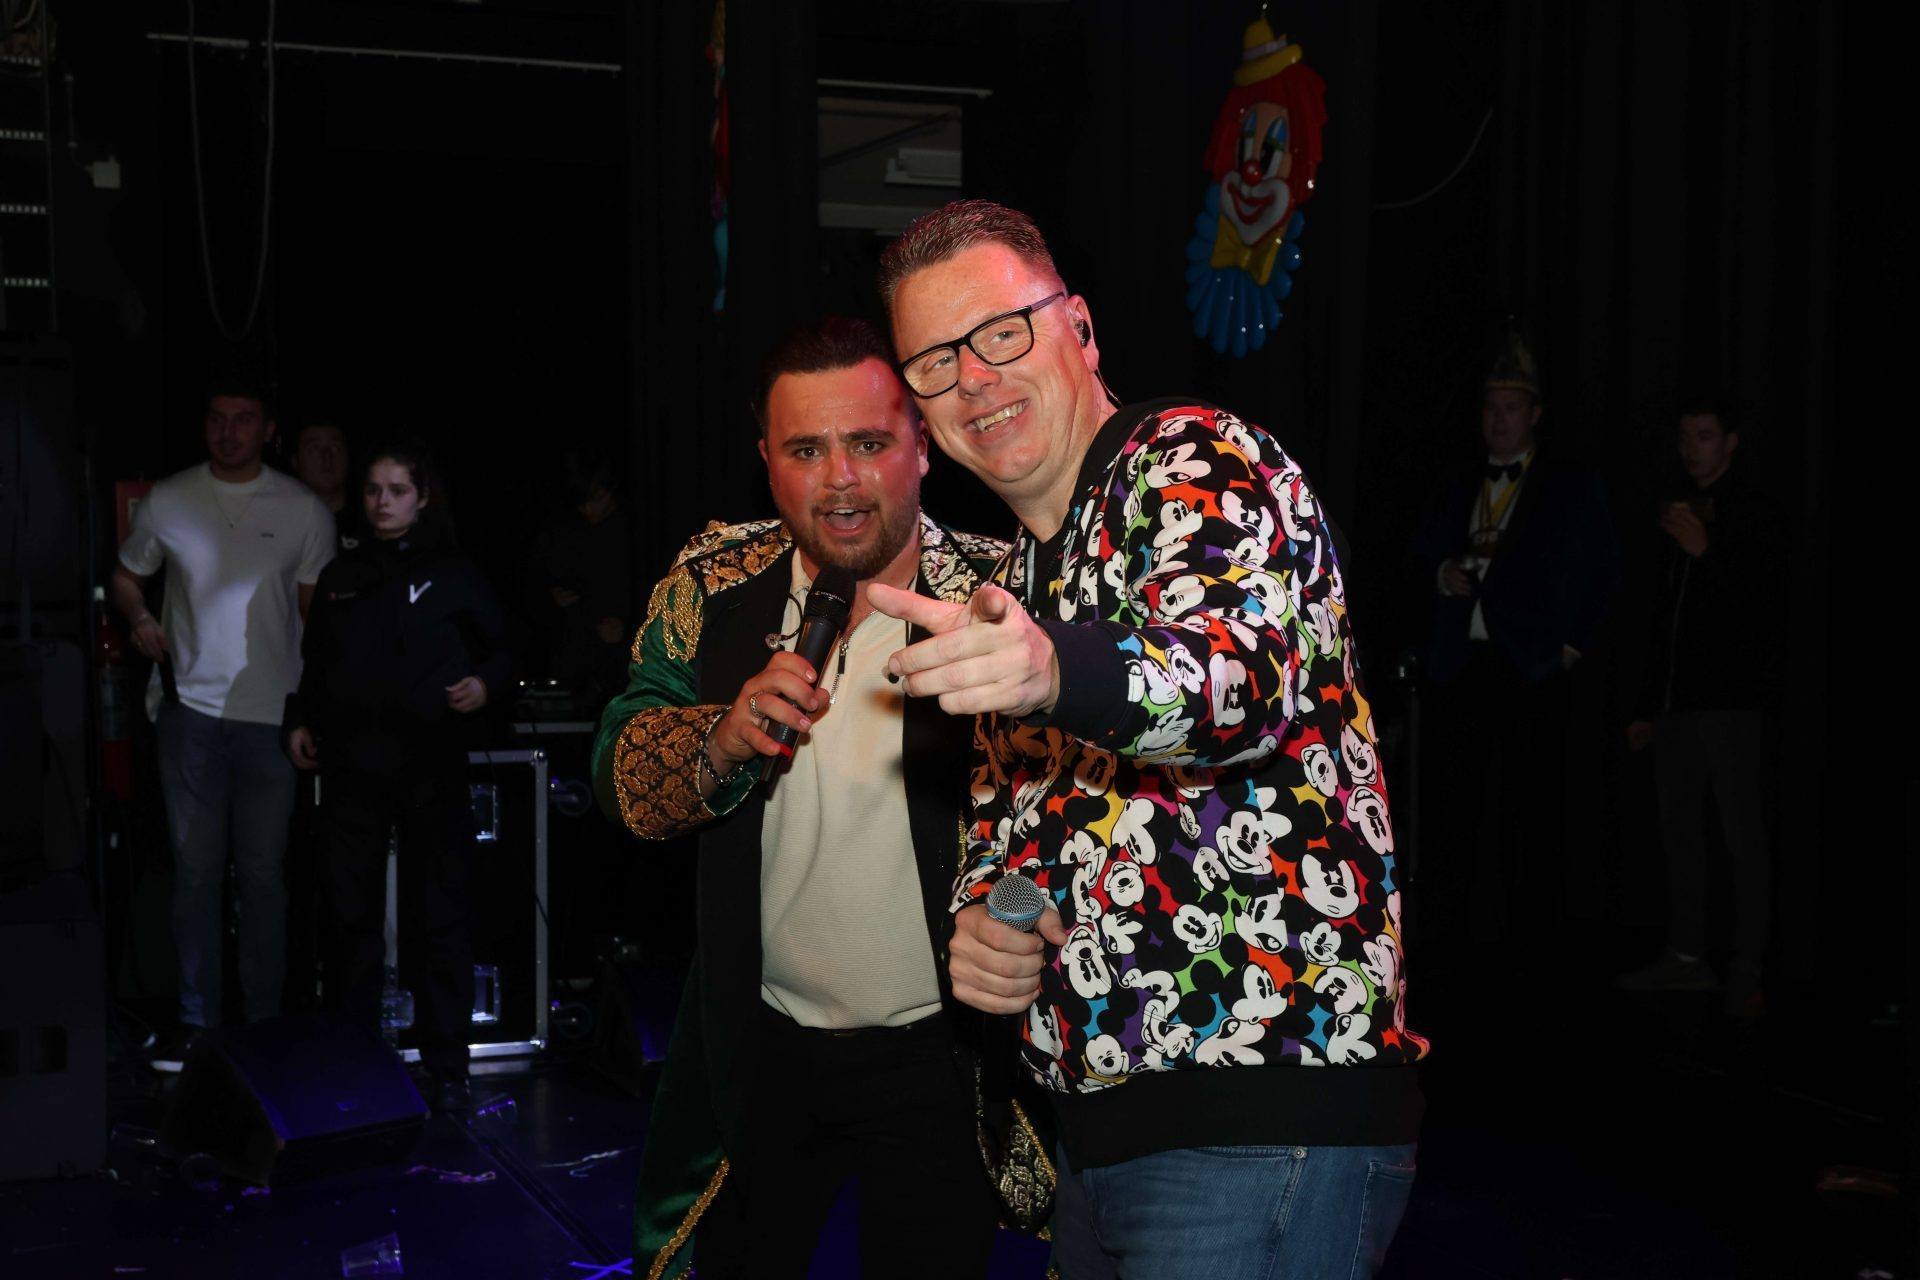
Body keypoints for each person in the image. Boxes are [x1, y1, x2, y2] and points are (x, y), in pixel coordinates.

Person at [869, 199, 1426, 1278]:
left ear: (1079, 329)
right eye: (935, 362)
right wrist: (993, 922)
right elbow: (1030, 835)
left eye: (1000, 333)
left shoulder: (1192, 460)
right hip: (1104, 1134)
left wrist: (1056, 670)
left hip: (1257, 1110)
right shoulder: (1013, 582)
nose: (973, 378)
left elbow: (1237, 677)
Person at [591, 318, 1015, 1278]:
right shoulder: (714, 583)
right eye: (806, 450)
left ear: (923, 446)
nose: (841, 481)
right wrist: (721, 739)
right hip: (760, 1042)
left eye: (868, 443)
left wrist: (1019, 920)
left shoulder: (999, 598)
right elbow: (620, 777)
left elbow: (1077, 833)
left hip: (941, 1060)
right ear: (766, 463)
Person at [111, 373, 337, 1069]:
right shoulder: (170, 499)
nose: (228, 431)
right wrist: (140, 617)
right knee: (195, 873)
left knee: (263, 877)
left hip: (272, 718)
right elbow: (126, 575)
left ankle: (263, 1023)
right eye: (217, 418)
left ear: (267, 429)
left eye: (243, 419)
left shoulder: (302, 509)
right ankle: (196, 1021)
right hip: (191, 712)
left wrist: (315, 709)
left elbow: (319, 622)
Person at [282, 437, 511, 1110]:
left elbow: (505, 649)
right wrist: (299, 719)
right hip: (353, 764)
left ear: (422, 497)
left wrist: (485, 685)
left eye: (397, 491)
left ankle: (447, 1064)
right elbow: (317, 663)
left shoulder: (454, 572)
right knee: (349, 913)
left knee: (439, 911)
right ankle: (356, 1056)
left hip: (430, 762)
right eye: (373, 491)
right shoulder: (341, 575)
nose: (382, 502)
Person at [1407, 337, 1616, 938]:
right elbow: (1416, 557)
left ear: (1535, 415)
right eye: (1490, 408)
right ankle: (1450, 938)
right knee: (1454, 809)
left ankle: (1533, 943)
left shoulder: (1569, 485)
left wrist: (1570, 647)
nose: (1498, 420)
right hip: (1461, 664)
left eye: (1511, 408)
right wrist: (1441, 573)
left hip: (1529, 665)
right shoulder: (1456, 483)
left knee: (1534, 813)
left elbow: (1603, 571)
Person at [1618, 400, 1782, 1017]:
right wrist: (1647, 705)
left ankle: (1749, 969)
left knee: (1741, 840)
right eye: (1686, 436)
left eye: (1705, 436)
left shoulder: (1756, 510)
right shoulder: (1676, 504)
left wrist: (1706, 551)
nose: (1692, 447)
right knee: (1680, 835)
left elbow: (1764, 609)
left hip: (1733, 706)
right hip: (1678, 707)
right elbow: (1664, 618)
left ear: (1730, 442)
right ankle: (1687, 958)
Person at [522, 445, 633, 705]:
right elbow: (530, 587)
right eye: (584, 502)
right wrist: (551, 598)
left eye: (597, 498)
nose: (589, 509)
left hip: (623, 662)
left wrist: (627, 628)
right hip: (571, 656)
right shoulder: (560, 530)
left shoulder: (632, 530)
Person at [288, 415, 368, 547]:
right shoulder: (282, 520)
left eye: (335, 448)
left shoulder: (371, 518)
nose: (327, 456)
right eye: (314, 448)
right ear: (296, 461)